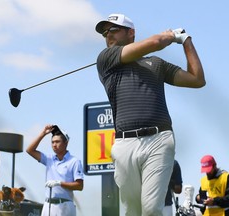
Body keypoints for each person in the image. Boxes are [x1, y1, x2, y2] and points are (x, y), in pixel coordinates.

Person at [95, 13, 205, 215]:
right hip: (124, 143)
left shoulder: (156, 63)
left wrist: (186, 41)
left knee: (151, 208)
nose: (107, 35)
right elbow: (156, 42)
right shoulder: (106, 58)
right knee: (132, 210)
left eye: (113, 30)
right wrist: (171, 35)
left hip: (159, 139)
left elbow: (197, 79)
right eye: (104, 32)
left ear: (131, 33)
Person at [26, 124, 84, 216]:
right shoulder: (49, 159)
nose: (54, 145)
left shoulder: (74, 161)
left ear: (66, 143)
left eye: (57, 142)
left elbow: (79, 186)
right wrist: (43, 134)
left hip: (65, 205)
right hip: (48, 205)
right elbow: (29, 150)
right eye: (52, 142)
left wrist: (59, 183)